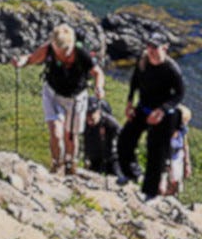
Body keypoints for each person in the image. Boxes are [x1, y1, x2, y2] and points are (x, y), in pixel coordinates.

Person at [11, 25, 105, 175]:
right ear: (53, 44)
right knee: (56, 132)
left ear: (72, 44)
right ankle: (56, 164)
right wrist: (21, 62)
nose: (63, 54)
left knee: (71, 136)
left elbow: (98, 73)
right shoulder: (48, 49)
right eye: (59, 50)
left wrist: (99, 88)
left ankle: (70, 164)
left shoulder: (82, 54)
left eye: (66, 50)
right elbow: (30, 58)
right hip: (53, 94)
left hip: (76, 98)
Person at [117, 32, 186, 200]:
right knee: (125, 139)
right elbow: (134, 81)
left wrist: (161, 110)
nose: (151, 50)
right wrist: (129, 102)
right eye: (149, 46)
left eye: (155, 47)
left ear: (165, 48)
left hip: (164, 114)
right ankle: (131, 173)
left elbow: (179, 94)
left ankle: (150, 192)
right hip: (144, 107)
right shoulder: (143, 61)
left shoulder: (171, 69)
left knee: (156, 152)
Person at [82, 97, 122, 177]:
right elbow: (85, 141)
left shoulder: (109, 121)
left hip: (112, 157)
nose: (89, 121)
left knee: (117, 177)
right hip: (95, 158)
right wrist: (86, 157)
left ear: (98, 112)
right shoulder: (84, 123)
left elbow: (124, 135)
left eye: (92, 118)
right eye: (87, 116)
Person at [164, 106, 192, 196]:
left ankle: (171, 196)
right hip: (167, 158)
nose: (185, 124)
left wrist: (187, 163)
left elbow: (185, 145)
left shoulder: (183, 130)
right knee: (166, 182)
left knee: (176, 183)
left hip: (178, 157)